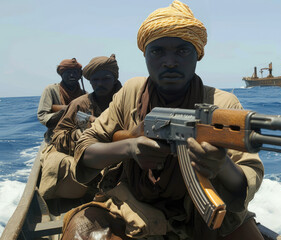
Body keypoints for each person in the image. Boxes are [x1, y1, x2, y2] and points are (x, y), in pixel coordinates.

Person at [62, 1, 264, 239]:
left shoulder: (222, 105)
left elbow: (248, 173)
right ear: (145, 55)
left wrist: (222, 166)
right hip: (132, 207)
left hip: (202, 215)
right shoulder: (132, 92)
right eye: (157, 51)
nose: (169, 62)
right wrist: (129, 148)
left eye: (182, 50)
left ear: (197, 54)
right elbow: (86, 147)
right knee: (82, 229)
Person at [39, 54, 122, 200]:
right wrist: (79, 134)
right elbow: (57, 135)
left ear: (115, 79)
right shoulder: (79, 103)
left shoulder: (127, 101)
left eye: (106, 79)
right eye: (95, 80)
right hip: (87, 154)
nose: (100, 83)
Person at [37, 58, 86, 144]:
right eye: (68, 72)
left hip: (80, 137)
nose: (72, 75)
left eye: (75, 72)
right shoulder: (51, 90)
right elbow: (42, 116)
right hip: (55, 137)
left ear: (79, 75)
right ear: (61, 74)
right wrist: (66, 110)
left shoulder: (85, 95)